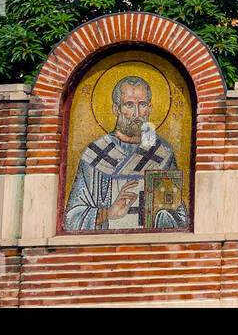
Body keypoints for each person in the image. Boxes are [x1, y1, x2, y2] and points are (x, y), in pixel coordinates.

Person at [64, 76, 189, 231]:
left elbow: (180, 216)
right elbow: (71, 218)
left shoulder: (162, 152)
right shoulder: (95, 154)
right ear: (116, 109)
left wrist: (162, 216)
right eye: (129, 105)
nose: (137, 113)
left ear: (149, 108)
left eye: (142, 104)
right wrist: (107, 213)